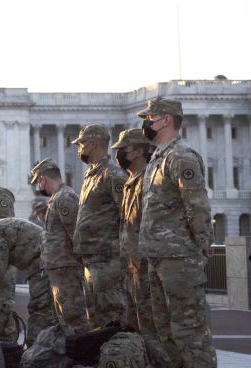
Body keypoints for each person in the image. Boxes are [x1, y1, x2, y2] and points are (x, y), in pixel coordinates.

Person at [137, 97, 216, 368]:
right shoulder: (159, 157)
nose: (145, 123)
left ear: (166, 119)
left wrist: (204, 243)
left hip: (179, 257)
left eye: (149, 118)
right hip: (158, 255)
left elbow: (197, 203)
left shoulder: (181, 155)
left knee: (189, 331)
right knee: (166, 330)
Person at [113, 128, 170, 368]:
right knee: (135, 328)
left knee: (153, 331)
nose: (119, 154)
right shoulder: (130, 182)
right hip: (131, 268)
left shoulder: (149, 180)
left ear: (138, 151)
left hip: (146, 268)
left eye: (123, 150)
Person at [70, 124, 128, 328]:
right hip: (92, 258)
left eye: (82, 144)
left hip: (108, 259)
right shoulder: (92, 175)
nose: (79, 149)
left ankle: (117, 356)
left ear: (92, 144)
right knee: (94, 316)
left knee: (111, 315)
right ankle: (102, 358)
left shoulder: (113, 175)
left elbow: (129, 214)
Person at [30, 156, 88, 333]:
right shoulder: (57, 198)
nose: (39, 187)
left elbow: (75, 234)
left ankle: (85, 353)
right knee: (64, 316)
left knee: (73, 316)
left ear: (43, 179)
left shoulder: (64, 197)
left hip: (66, 267)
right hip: (60, 266)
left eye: (38, 183)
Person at [0, 197, 54, 346]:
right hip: (38, 259)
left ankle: (37, 349)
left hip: (42, 259)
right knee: (38, 305)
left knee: (40, 306)